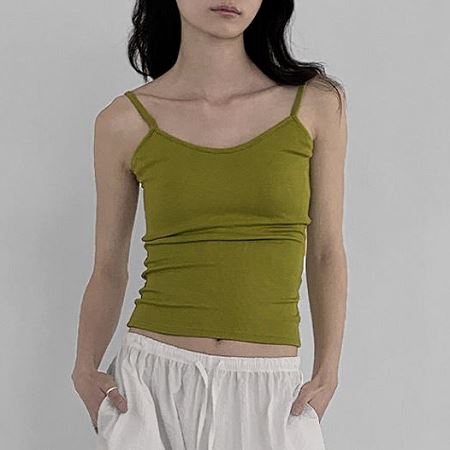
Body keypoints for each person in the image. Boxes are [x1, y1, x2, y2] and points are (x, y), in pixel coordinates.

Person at [71, 1, 348, 449]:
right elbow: (108, 267)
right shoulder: (123, 122)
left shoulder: (315, 104)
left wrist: (328, 369)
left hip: (270, 390)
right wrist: (85, 368)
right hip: (151, 384)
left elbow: (326, 250)